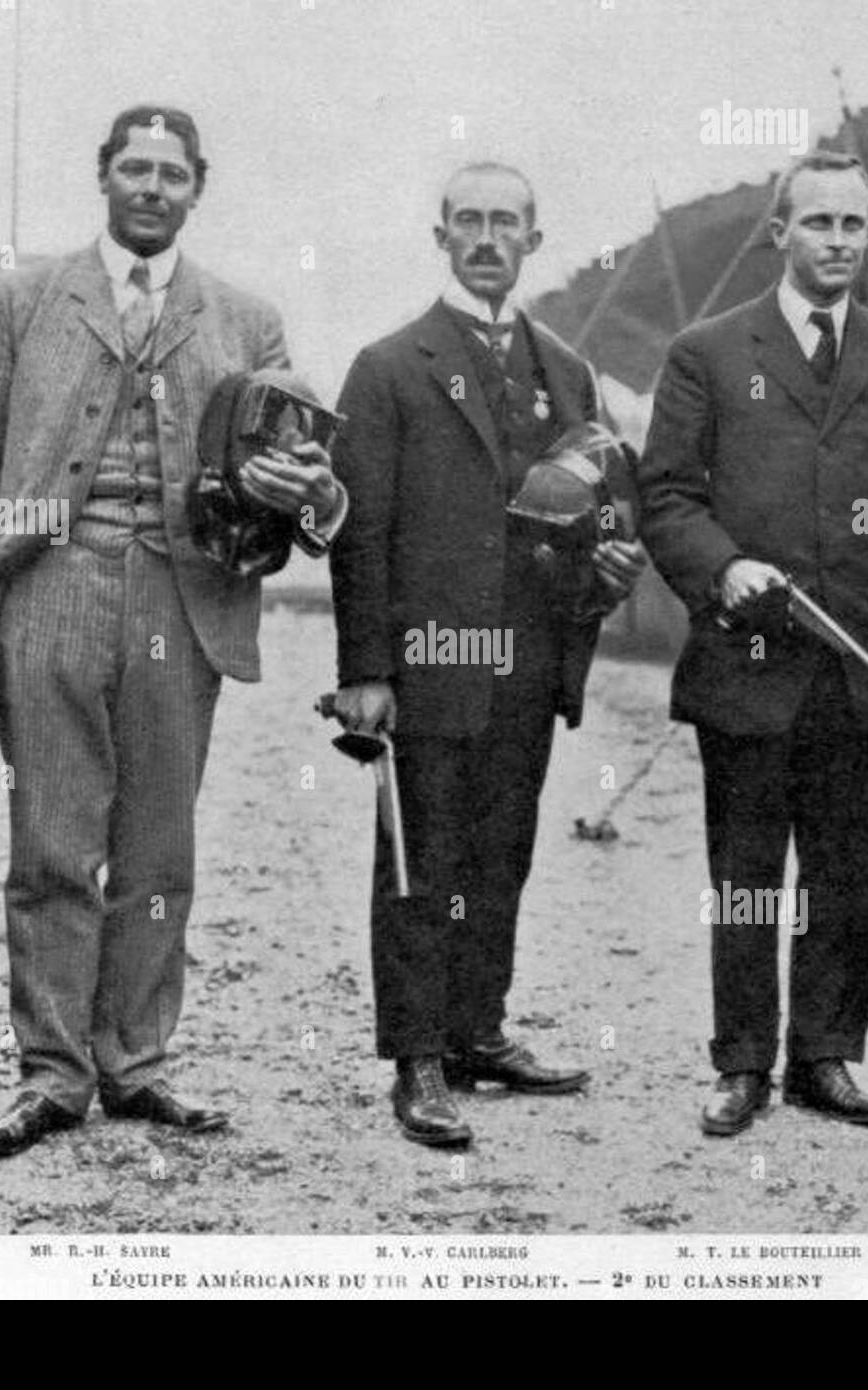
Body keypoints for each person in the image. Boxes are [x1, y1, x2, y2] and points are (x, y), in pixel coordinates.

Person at [0, 106, 344, 1157]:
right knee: (51, 845)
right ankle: (51, 1074)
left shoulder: (246, 321)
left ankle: (137, 1062)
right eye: (133, 168)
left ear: (198, 185)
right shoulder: (20, 301)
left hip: (180, 594)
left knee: (159, 849)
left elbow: (297, 486)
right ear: (102, 175)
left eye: (171, 172)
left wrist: (298, 488)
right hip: (49, 587)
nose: (151, 186)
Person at [636, 151, 868, 1137]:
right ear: (778, 232)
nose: (837, 242)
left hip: (861, 663)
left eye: (853, 225)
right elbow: (664, 494)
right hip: (746, 662)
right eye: (818, 224)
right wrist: (721, 569)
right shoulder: (705, 352)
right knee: (745, 877)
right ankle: (742, 1065)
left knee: (846, 871)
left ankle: (824, 1057)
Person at [329, 161, 645, 1148]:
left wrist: (607, 570)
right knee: (421, 859)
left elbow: (591, 519)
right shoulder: (387, 367)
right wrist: (367, 672)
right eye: (466, 219)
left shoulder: (566, 370)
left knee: (501, 851)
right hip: (425, 662)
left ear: (531, 240)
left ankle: (477, 1031)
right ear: (439, 236)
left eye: (503, 221)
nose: (484, 236)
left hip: (525, 660)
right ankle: (417, 1059)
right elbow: (358, 530)